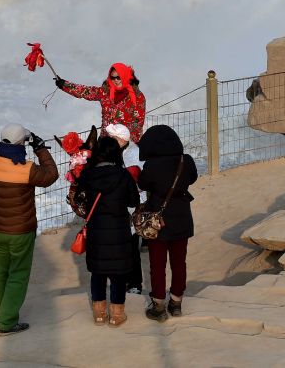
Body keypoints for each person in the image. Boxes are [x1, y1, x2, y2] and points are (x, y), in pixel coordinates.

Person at [0, 123, 59, 336]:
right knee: (18, 275)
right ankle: (7, 322)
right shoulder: (26, 168)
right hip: (21, 232)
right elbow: (51, 175)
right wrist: (40, 149)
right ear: (23, 143)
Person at [76, 135, 140, 327]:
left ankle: (99, 314)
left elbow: (80, 200)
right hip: (119, 232)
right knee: (118, 275)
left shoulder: (87, 175)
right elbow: (133, 201)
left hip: (96, 231)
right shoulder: (123, 175)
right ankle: (117, 315)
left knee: (98, 273)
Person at [136, 125, 197, 322]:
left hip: (157, 221)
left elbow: (143, 184)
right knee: (180, 263)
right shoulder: (185, 160)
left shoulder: (152, 165)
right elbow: (193, 178)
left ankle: (159, 306)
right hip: (182, 218)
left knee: (157, 265)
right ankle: (176, 303)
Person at [55, 63, 147, 142]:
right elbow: (86, 91)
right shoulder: (105, 92)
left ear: (125, 76)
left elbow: (138, 123)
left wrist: (124, 140)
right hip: (105, 141)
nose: (115, 80)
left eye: (118, 77)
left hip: (125, 143)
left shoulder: (137, 96)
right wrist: (64, 85)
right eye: (113, 77)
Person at [106, 123, 144, 294]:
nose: (108, 140)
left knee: (131, 247)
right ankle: (120, 281)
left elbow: (142, 181)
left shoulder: (135, 153)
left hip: (131, 206)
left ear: (122, 139)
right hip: (113, 207)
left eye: (112, 138)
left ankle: (135, 283)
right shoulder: (108, 153)